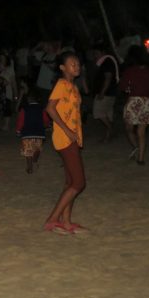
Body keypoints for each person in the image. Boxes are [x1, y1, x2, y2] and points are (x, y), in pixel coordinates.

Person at [44, 52, 87, 235]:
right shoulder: (62, 84)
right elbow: (50, 109)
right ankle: (53, 219)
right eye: (72, 64)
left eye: (77, 63)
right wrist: (68, 131)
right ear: (62, 68)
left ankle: (66, 222)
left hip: (72, 138)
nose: (76, 66)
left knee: (70, 182)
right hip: (64, 138)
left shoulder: (73, 86)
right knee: (79, 183)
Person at [119, 46, 149, 165]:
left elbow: (123, 87)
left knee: (129, 129)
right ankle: (140, 158)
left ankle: (137, 149)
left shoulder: (129, 71)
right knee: (141, 132)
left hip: (134, 101)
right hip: (146, 102)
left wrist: (130, 88)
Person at [15, 90, 51, 174]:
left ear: (28, 99)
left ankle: (30, 167)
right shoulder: (42, 109)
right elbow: (46, 120)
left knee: (28, 151)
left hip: (27, 133)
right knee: (37, 148)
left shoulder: (24, 109)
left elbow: (21, 121)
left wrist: (18, 130)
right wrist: (47, 125)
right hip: (39, 133)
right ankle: (35, 159)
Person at [92, 49, 119, 142]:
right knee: (107, 114)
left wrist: (102, 92)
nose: (95, 55)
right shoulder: (108, 61)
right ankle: (107, 137)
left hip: (106, 93)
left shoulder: (107, 62)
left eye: (96, 53)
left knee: (98, 113)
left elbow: (108, 78)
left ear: (103, 53)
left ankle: (112, 130)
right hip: (111, 92)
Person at [0, 54, 16, 131]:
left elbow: (13, 81)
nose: (2, 60)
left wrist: (15, 93)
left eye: (4, 58)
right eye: (1, 58)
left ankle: (6, 125)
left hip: (7, 90)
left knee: (7, 108)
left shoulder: (10, 68)